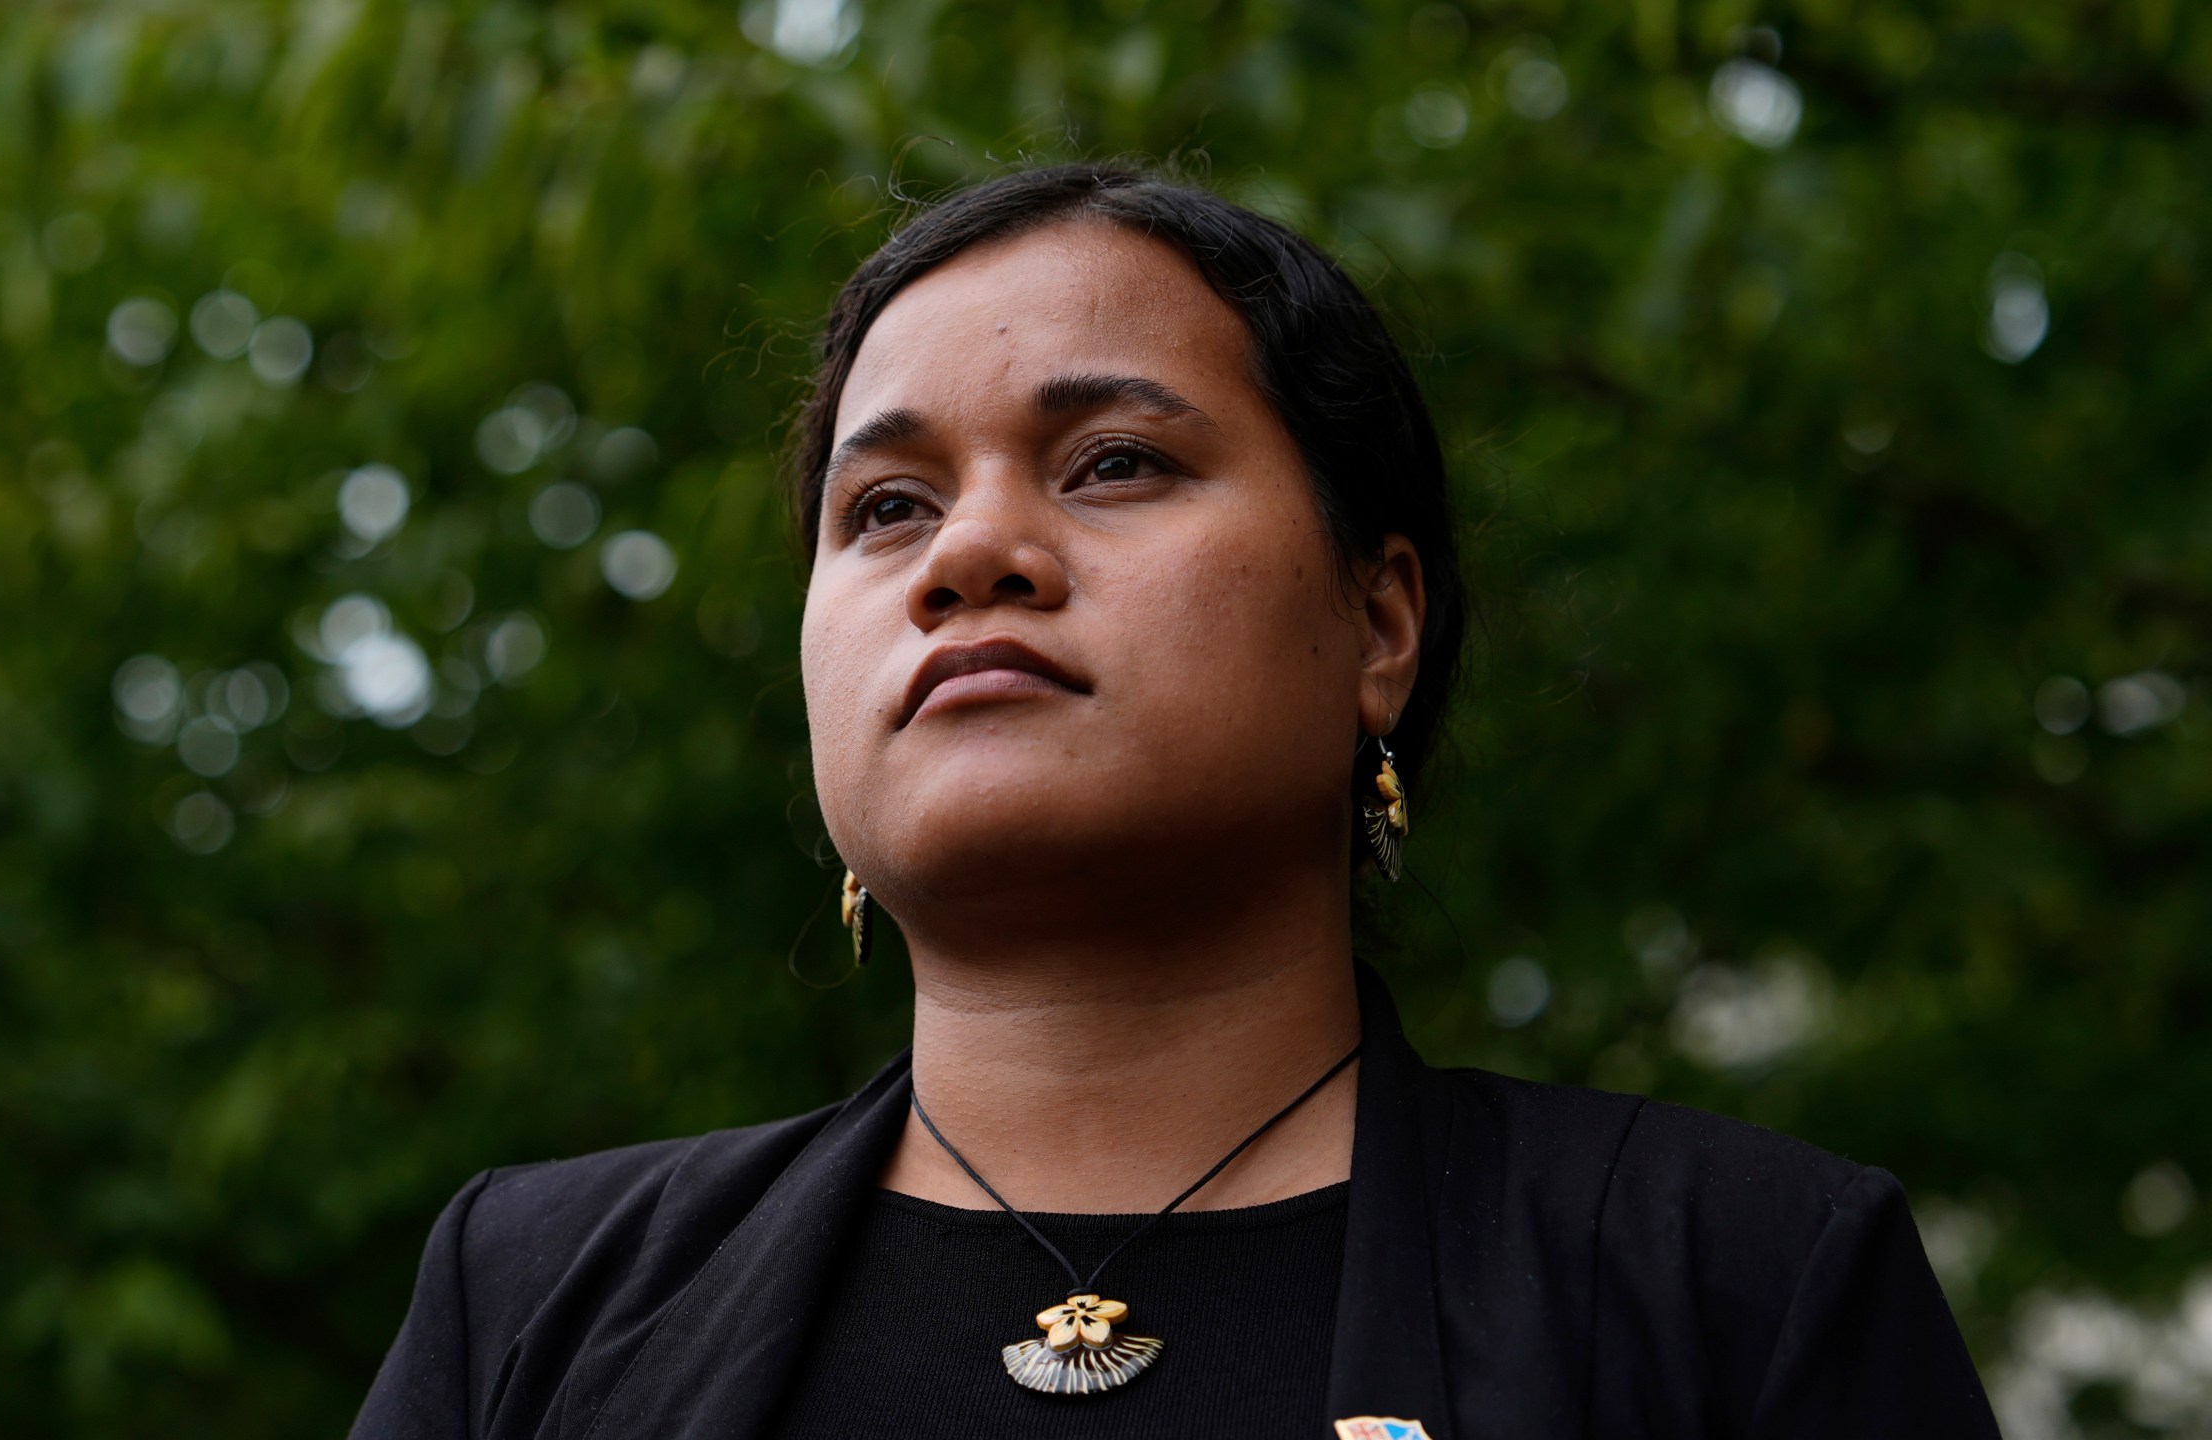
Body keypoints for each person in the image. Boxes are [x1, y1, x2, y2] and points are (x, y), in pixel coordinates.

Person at [349, 164, 2000, 1440]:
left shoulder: (1736, 1283)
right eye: (887, 504)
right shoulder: (542, 1305)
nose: (967, 558)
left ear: (1378, 623)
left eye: (1114, 463)